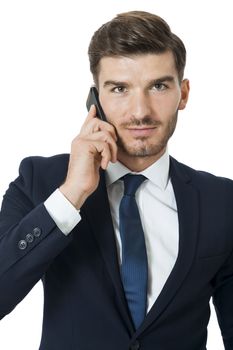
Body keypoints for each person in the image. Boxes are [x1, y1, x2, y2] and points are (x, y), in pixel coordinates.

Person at [0, 10, 233, 350]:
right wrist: (70, 196)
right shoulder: (40, 180)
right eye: (120, 88)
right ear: (95, 100)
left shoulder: (222, 201)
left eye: (158, 86)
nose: (140, 110)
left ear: (183, 93)